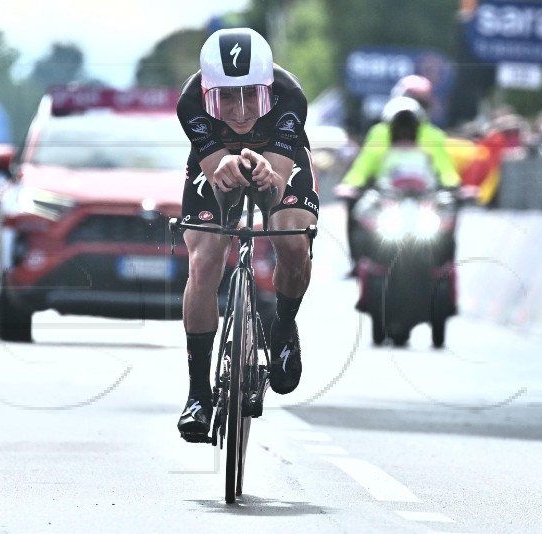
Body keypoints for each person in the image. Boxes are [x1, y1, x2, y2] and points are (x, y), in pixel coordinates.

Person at [175, 28, 319, 442]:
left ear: (269, 89)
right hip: (217, 162)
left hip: (277, 157)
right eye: (225, 98)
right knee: (203, 261)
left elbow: (273, 186)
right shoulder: (189, 103)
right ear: (206, 94)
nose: (239, 111)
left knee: (291, 241)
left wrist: (262, 170)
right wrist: (225, 166)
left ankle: (283, 326)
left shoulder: (291, 96)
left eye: (251, 95)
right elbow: (217, 171)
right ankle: (198, 393)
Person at [337, 75, 460, 274]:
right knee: (356, 205)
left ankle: (443, 260)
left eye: (419, 103)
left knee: (450, 208)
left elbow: (446, 169)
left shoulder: (433, 135)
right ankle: (358, 259)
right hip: (386, 193)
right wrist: (351, 185)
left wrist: (453, 187)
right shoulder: (379, 132)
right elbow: (363, 164)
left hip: (424, 194)